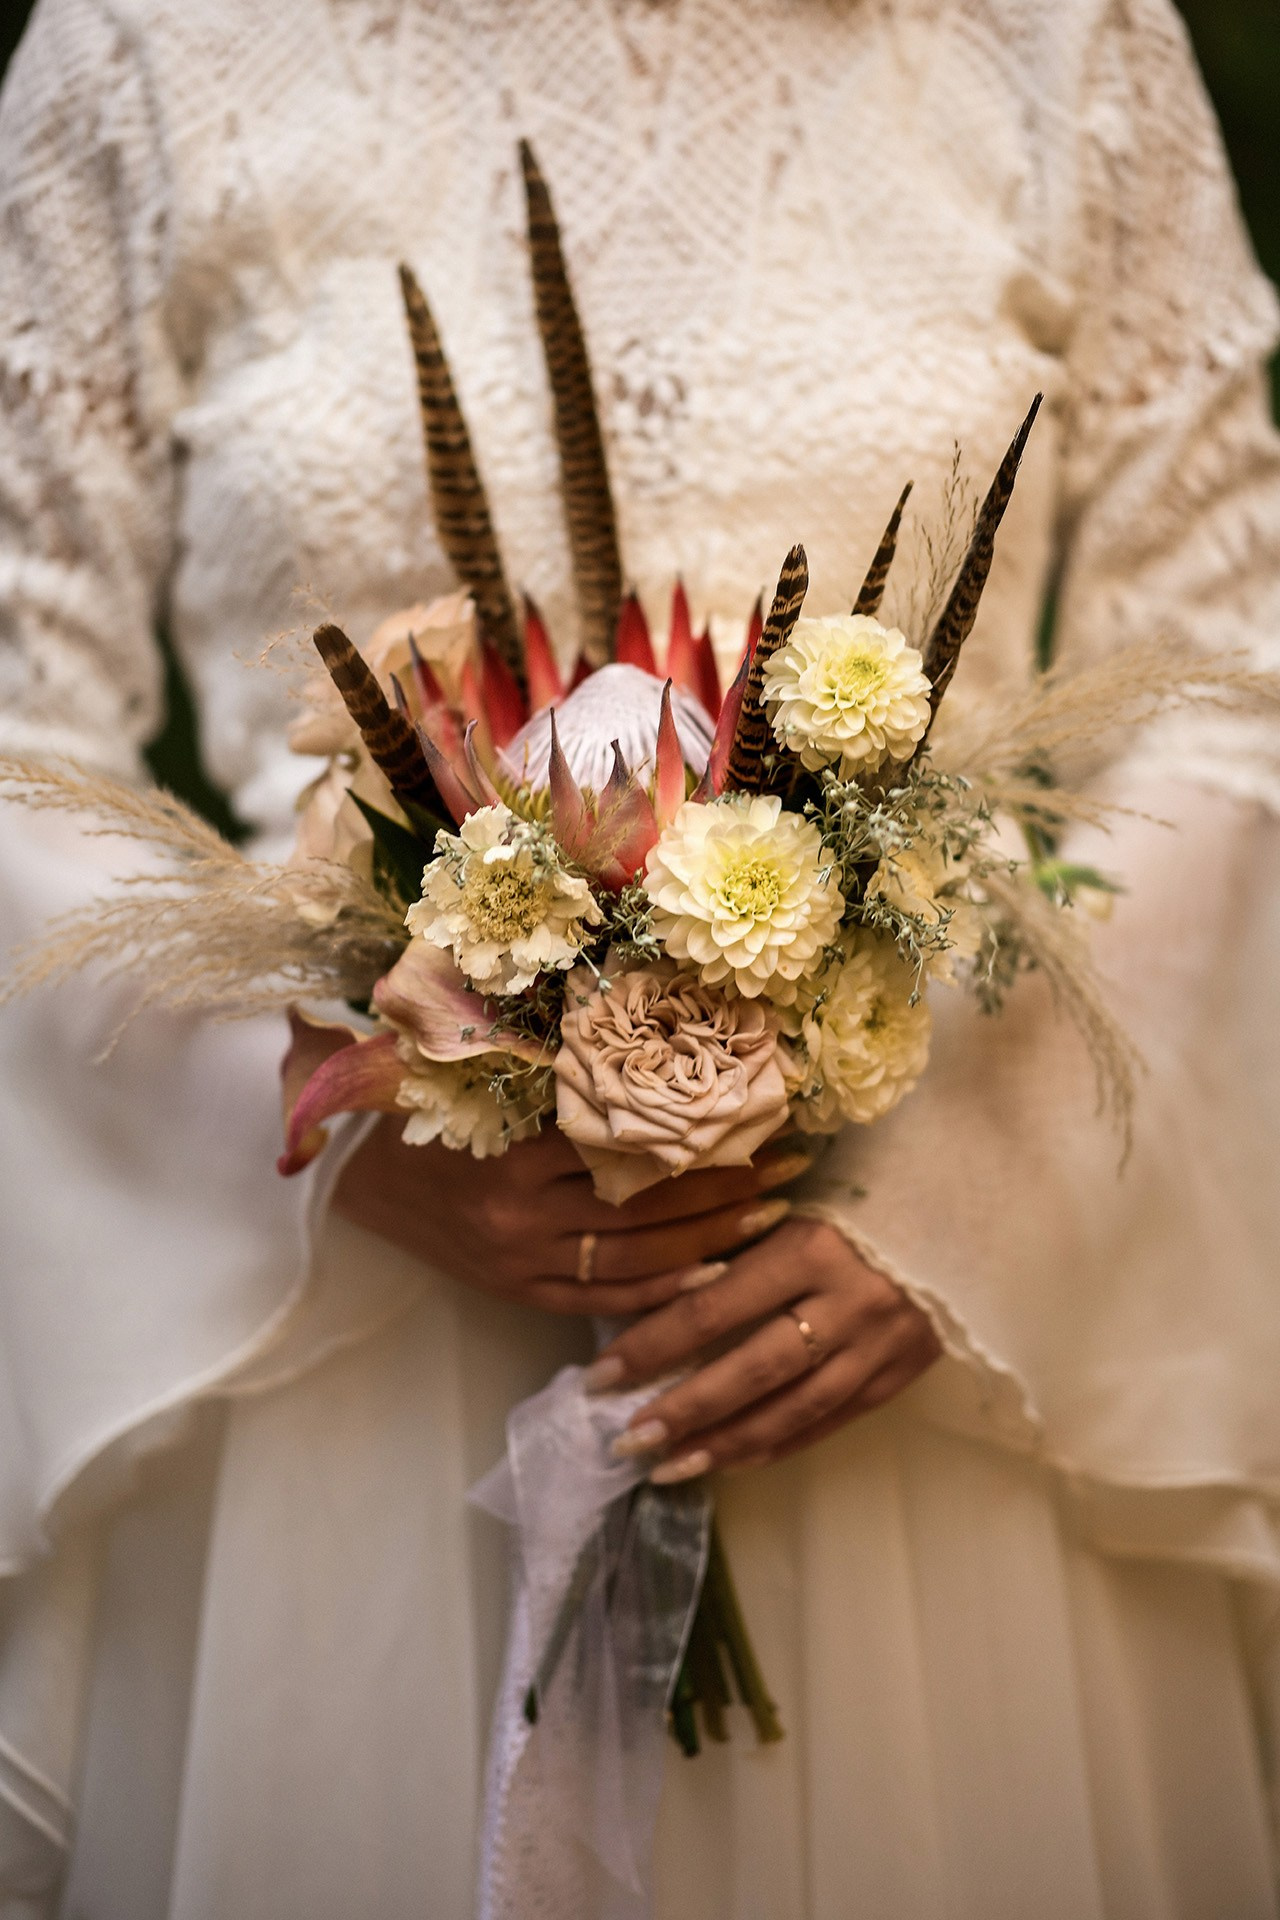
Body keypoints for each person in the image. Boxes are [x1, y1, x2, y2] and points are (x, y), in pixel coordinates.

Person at [1, 0, 1278, 1913]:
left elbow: (1239, 676)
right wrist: (319, 1128)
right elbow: (17, 727)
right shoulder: (142, 48)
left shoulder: (1062, 36)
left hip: (916, 1346)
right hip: (358, 1346)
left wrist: (976, 1207)